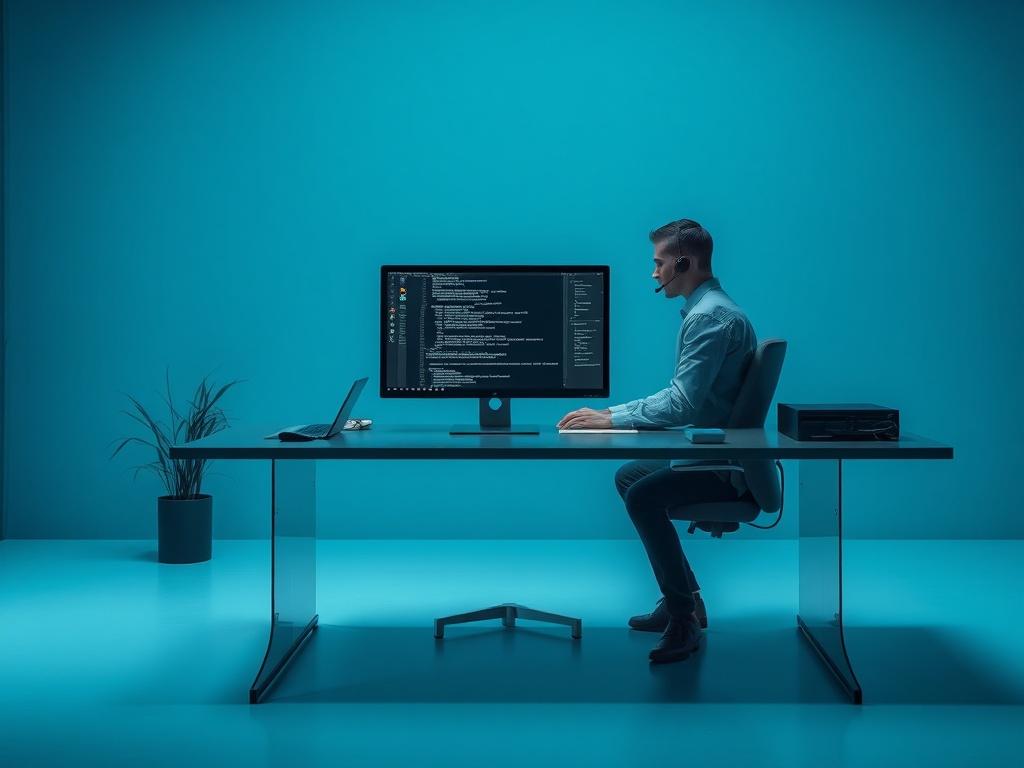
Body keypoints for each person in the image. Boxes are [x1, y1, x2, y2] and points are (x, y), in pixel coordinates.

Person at [557, 218, 757, 664]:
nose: (653, 273)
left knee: (644, 496)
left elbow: (682, 405)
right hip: (717, 458)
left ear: (682, 263)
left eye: (658, 263)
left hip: (721, 470)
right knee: (632, 475)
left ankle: (683, 619)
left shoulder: (710, 318)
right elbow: (679, 395)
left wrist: (611, 422)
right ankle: (685, 599)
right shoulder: (710, 310)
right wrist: (611, 414)